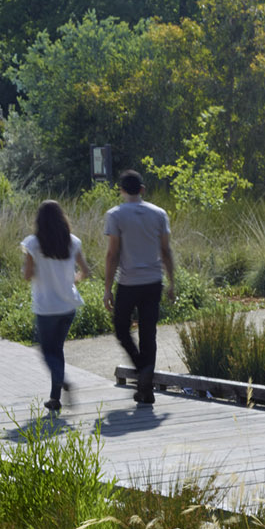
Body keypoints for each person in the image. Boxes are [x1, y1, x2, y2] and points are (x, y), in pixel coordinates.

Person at [103, 169, 177, 406]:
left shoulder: (115, 215)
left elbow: (112, 254)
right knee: (149, 334)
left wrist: (107, 288)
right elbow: (166, 251)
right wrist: (172, 282)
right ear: (142, 190)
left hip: (128, 282)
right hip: (153, 281)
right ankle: (146, 386)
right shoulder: (159, 214)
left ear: (122, 190)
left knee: (122, 329)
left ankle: (142, 371)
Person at [22, 200, 89, 413]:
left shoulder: (33, 244)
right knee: (57, 350)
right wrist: (73, 279)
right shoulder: (73, 242)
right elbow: (85, 271)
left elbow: (26, 275)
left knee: (46, 351)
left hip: (46, 306)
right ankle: (55, 398)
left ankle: (64, 382)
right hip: (68, 305)